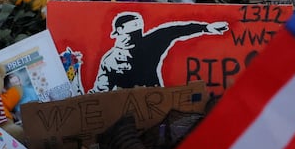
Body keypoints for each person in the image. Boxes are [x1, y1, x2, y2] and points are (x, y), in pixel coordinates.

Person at [92, 12, 229, 92]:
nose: (135, 37)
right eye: (131, 33)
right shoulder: (109, 59)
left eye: (138, 32)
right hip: (128, 109)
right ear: (119, 31)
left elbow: (174, 30)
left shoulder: (151, 43)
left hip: (155, 100)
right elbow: (101, 90)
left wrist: (206, 28)